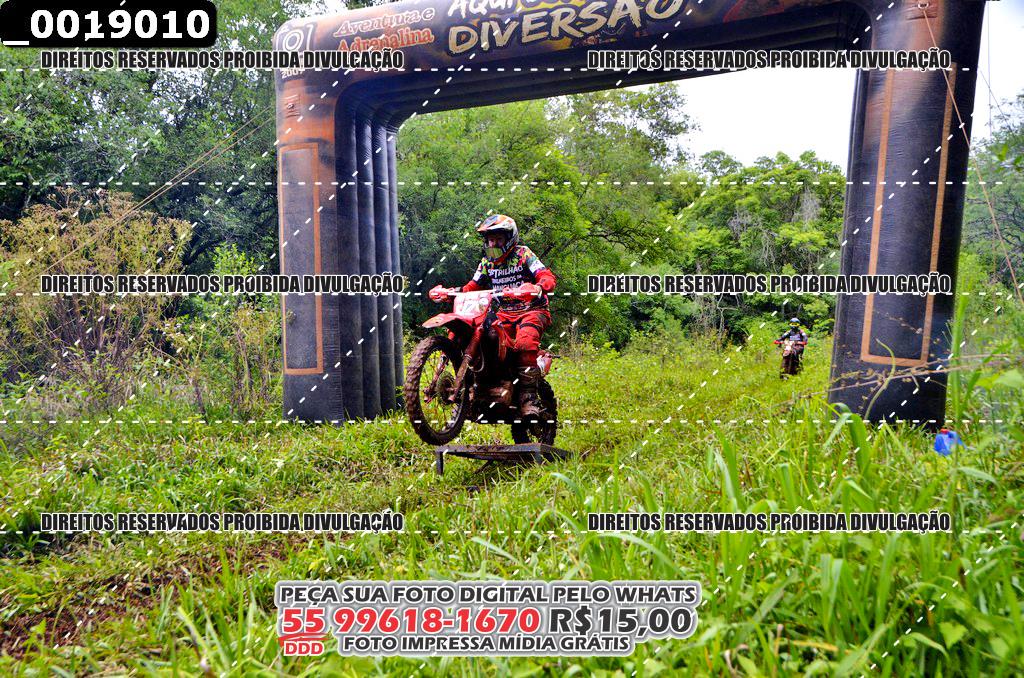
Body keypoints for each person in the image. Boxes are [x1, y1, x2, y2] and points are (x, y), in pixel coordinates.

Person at [429, 214, 557, 416]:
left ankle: (529, 398)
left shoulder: (523, 254)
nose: (493, 244)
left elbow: (546, 276)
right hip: (504, 313)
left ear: (510, 238)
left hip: (532, 310)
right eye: (490, 240)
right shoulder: (487, 262)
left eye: (498, 239)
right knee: (488, 340)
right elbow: (472, 287)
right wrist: (450, 293)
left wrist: (537, 287)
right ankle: (478, 389)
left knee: (525, 343)